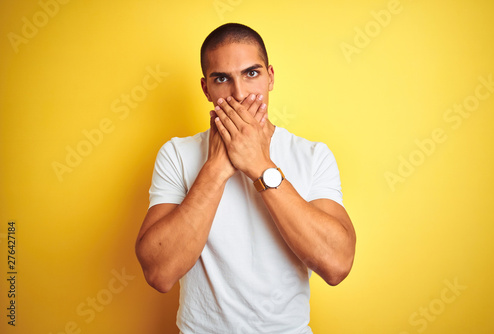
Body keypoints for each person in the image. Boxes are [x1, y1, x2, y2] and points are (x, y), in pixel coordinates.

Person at [135, 23, 356, 334]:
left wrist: (259, 165)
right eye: (222, 79)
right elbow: (159, 273)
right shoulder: (176, 154)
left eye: (251, 73)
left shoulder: (313, 155)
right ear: (206, 88)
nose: (239, 94)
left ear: (270, 77)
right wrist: (215, 168)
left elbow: (337, 265)